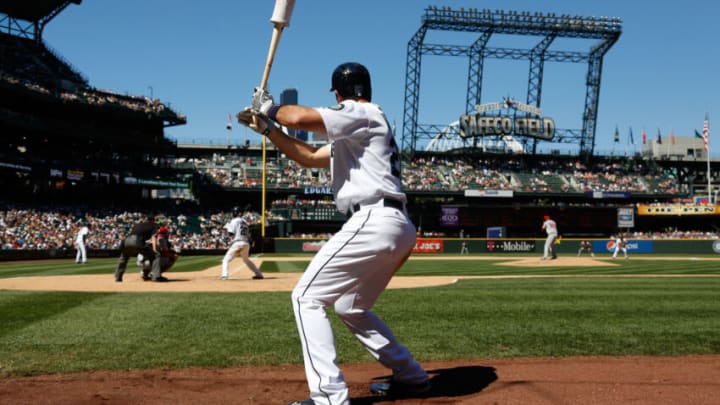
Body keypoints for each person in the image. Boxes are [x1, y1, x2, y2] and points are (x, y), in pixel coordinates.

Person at [238, 62, 429, 405]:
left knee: (306, 298)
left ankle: (328, 396)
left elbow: (299, 118)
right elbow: (309, 155)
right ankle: (412, 376)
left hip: (374, 218)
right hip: (395, 224)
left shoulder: (361, 112)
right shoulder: (360, 127)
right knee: (350, 306)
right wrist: (268, 128)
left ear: (340, 95)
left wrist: (269, 106)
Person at [114, 216, 167, 282]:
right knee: (156, 256)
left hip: (126, 241)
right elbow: (154, 237)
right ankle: (156, 277)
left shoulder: (139, 224)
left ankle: (118, 277)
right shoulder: (155, 225)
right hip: (136, 241)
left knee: (123, 258)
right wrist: (155, 249)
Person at [220, 207, 263, 280]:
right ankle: (259, 274)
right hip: (246, 243)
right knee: (246, 260)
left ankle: (224, 275)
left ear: (234, 213)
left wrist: (227, 227)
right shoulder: (245, 221)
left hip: (238, 243)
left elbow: (231, 234)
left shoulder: (234, 220)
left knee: (225, 260)